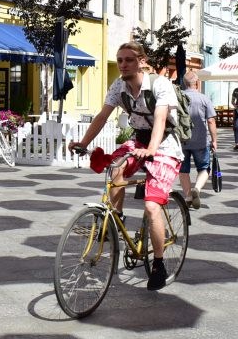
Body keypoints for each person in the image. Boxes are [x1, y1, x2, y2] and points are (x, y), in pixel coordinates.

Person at [69, 42, 183, 291]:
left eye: (129, 60)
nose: (123, 64)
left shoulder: (160, 84)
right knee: (114, 166)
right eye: (120, 60)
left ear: (142, 61)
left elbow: (161, 119)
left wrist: (152, 149)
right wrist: (83, 143)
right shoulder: (118, 86)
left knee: (152, 206)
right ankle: (116, 218)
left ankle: (159, 264)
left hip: (164, 144)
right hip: (138, 140)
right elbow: (102, 116)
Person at [179, 71, 217, 210]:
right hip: (201, 140)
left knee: (183, 170)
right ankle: (197, 188)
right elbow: (211, 121)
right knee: (204, 168)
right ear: (197, 82)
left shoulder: (178, 98)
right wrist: (214, 140)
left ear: (184, 83)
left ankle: (188, 197)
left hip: (182, 140)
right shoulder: (204, 99)